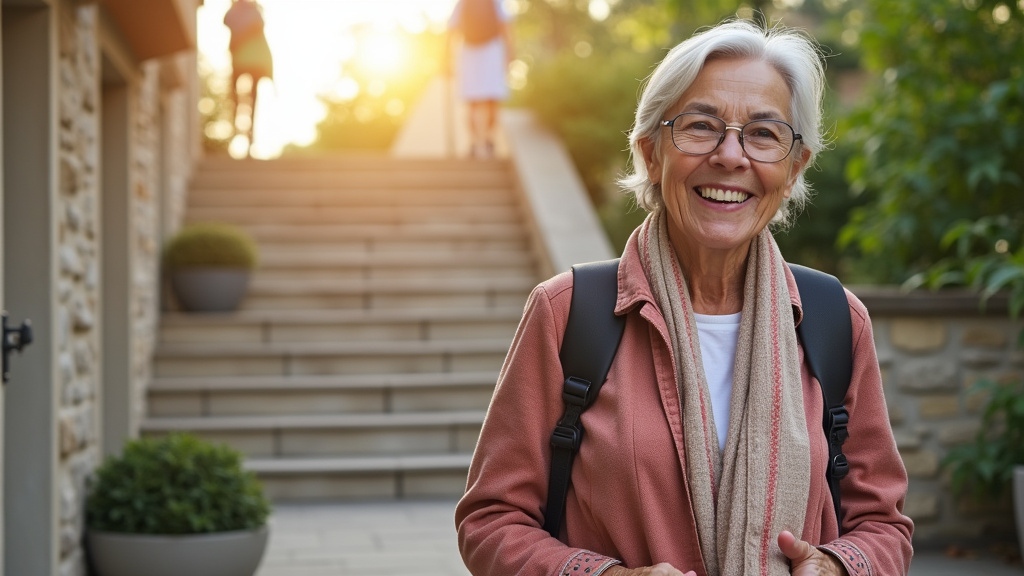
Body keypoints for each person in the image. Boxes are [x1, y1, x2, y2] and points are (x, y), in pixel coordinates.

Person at [455, 20, 913, 576]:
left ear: (794, 169)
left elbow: (884, 526)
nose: (730, 156)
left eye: (764, 135)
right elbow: (491, 520)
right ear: (651, 153)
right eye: (701, 127)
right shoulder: (568, 312)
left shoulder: (833, 319)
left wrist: (840, 566)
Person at [447, 0, 514, 158]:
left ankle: (476, 142)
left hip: (468, 51)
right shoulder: (495, 2)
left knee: (473, 102)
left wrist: (445, 58)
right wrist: (511, 52)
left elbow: (451, 30)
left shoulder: (463, 3)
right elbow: (505, 26)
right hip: (492, 50)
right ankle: (487, 141)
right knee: (492, 100)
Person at [223, 0, 274, 155]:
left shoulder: (251, 10)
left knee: (247, 99)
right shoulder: (246, 10)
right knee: (239, 98)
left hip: (251, 60)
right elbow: (227, 21)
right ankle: (236, 133)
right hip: (244, 59)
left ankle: (247, 137)